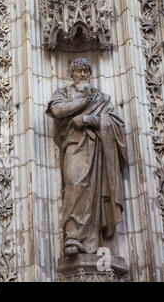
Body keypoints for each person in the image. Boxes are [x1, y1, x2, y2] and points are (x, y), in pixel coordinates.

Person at [46, 58, 127, 256]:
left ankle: (90, 239)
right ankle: (72, 235)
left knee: (93, 191)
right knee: (74, 185)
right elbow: (57, 110)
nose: (82, 74)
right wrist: (82, 102)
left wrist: (89, 119)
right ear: (72, 74)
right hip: (74, 146)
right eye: (78, 71)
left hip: (97, 149)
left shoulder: (101, 98)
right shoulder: (65, 93)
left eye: (85, 71)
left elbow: (117, 124)